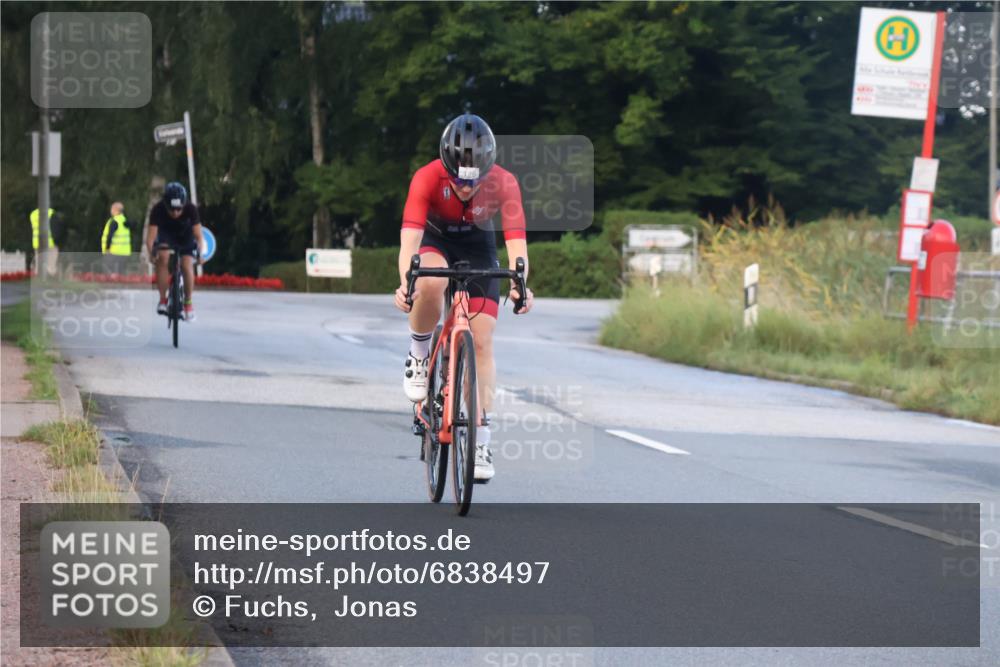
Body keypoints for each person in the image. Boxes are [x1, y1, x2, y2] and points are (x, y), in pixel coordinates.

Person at [394, 113, 534, 482]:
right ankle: (419, 353)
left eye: (473, 181)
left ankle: (481, 438)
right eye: (457, 180)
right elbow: (409, 242)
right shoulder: (426, 178)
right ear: (446, 166)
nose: (465, 187)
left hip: (478, 248)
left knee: (482, 341)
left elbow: (516, 242)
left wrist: (520, 284)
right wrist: (406, 284)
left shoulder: (504, 182)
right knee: (429, 282)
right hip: (435, 241)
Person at [146, 182, 204, 322]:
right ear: (165, 204)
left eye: (179, 209)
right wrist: (152, 253)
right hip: (166, 235)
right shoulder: (158, 209)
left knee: (186, 264)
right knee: (162, 257)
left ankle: (188, 303)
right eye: (171, 210)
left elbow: (198, 236)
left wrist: (200, 254)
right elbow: (150, 238)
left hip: (186, 235)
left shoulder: (191, 209)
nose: (175, 213)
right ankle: (163, 300)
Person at [101, 202, 131, 274]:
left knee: (109, 272)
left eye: (112, 209)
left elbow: (110, 236)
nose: (111, 211)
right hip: (125, 253)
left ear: (116, 210)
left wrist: (107, 248)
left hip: (114, 252)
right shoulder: (125, 221)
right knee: (120, 273)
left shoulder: (114, 222)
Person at [29, 207, 57, 275]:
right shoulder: (51, 212)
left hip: (36, 241)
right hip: (49, 240)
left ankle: (37, 272)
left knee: (38, 260)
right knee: (52, 258)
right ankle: (51, 271)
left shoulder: (33, 214)